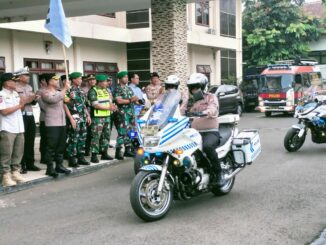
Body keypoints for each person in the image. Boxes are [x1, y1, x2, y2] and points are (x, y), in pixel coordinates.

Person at [186, 73, 225, 186]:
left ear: (203, 86)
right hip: (192, 132)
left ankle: (219, 174)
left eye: (196, 87)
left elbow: (213, 108)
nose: (194, 89)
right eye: (192, 87)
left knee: (207, 147)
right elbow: (181, 110)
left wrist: (206, 112)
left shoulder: (211, 97)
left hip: (210, 131)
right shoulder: (189, 100)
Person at [42, 74, 71, 178]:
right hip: (52, 123)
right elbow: (53, 100)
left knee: (61, 145)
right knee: (51, 146)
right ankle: (49, 168)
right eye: (55, 79)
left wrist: (70, 96)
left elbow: (67, 101)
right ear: (50, 81)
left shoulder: (59, 92)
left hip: (62, 122)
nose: (58, 81)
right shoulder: (45, 92)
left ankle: (59, 165)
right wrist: (64, 89)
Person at [0, 73, 26, 187]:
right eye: (13, 81)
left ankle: (15, 172)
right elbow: (4, 111)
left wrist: (25, 102)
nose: (16, 83)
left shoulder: (15, 93)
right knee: (6, 153)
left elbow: (21, 107)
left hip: (19, 127)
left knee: (18, 152)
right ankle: (5, 176)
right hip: (7, 127)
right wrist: (20, 105)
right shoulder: (1, 95)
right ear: (6, 82)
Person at [14, 66, 41, 173]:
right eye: (25, 75)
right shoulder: (15, 87)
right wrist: (30, 99)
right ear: (19, 77)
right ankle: (22, 163)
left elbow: (30, 101)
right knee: (21, 141)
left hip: (30, 115)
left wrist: (35, 99)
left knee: (30, 140)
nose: (28, 77)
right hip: (20, 115)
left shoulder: (29, 87)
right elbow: (21, 101)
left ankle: (30, 163)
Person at [64, 72, 91, 167]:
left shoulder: (81, 91)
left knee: (82, 138)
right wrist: (70, 118)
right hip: (74, 117)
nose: (80, 80)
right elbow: (65, 105)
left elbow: (83, 105)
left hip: (82, 117)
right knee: (73, 138)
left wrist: (88, 115)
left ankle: (81, 156)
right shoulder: (68, 90)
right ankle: (72, 158)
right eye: (79, 79)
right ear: (73, 79)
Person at [88, 74, 117, 163]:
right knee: (96, 137)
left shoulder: (106, 91)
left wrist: (113, 107)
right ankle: (94, 155)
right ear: (100, 82)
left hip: (107, 116)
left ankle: (104, 153)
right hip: (97, 118)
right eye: (105, 81)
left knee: (106, 136)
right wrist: (108, 108)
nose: (107, 83)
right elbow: (95, 104)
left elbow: (110, 101)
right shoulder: (93, 91)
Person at [84, 74, 96, 156]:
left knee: (95, 134)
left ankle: (95, 150)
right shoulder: (84, 90)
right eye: (90, 80)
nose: (91, 81)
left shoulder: (97, 89)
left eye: (93, 79)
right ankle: (86, 150)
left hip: (97, 114)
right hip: (87, 113)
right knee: (88, 133)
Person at [37, 74, 47, 164]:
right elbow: (42, 106)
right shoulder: (39, 92)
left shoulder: (50, 90)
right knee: (44, 138)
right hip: (44, 118)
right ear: (42, 81)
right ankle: (43, 157)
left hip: (52, 119)